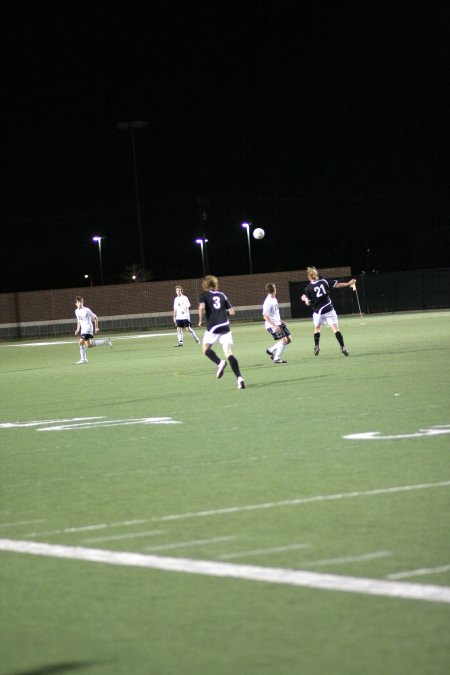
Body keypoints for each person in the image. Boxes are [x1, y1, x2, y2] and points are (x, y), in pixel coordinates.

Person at [198, 275, 245, 389]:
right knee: (228, 352)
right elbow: (232, 312)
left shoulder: (204, 295)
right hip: (225, 325)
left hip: (213, 326)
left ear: (205, 285)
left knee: (205, 349)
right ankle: (239, 378)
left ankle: (220, 363)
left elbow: (201, 308)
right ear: (215, 284)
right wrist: (223, 314)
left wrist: (200, 321)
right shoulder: (222, 294)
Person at [301, 267, 356, 356]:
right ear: (316, 275)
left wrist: (304, 299)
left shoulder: (308, 288)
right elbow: (337, 285)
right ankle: (343, 347)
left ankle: (317, 346)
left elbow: (309, 303)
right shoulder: (324, 282)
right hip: (329, 310)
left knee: (317, 328)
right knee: (335, 329)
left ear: (309, 277)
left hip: (318, 312)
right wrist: (349, 283)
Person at [74, 296, 112, 364]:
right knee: (89, 345)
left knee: (81, 342)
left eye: (81, 302)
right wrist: (77, 329)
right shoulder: (76, 311)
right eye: (78, 302)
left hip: (88, 328)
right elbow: (78, 321)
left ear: (83, 303)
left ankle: (83, 359)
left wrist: (96, 327)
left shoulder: (86, 310)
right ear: (76, 303)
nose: (80, 303)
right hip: (83, 330)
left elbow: (95, 317)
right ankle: (105, 341)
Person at [262, 283, 292, 364]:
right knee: (284, 340)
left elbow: (274, 313)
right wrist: (274, 326)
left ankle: (270, 350)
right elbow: (265, 316)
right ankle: (277, 359)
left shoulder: (274, 299)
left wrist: (280, 320)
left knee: (289, 339)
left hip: (278, 322)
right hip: (272, 325)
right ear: (274, 289)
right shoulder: (268, 301)